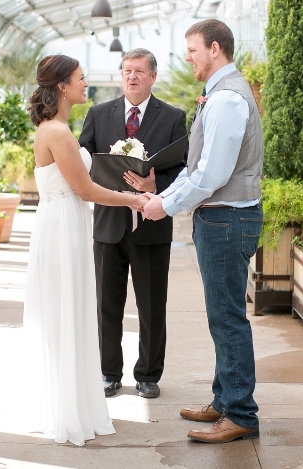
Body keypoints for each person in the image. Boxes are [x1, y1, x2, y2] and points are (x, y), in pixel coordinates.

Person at [143, 19, 263, 443]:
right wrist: (162, 196)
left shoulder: (228, 99)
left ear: (215, 48)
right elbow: (197, 168)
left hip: (227, 220)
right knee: (221, 315)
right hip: (222, 218)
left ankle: (242, 414)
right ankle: (226, 400)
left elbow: (211, 174)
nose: (188, 57)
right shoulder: (220, 94)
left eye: (192, 49)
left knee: (228, 317)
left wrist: (166, 205)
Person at [23, 54, 146, 446]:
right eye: (80, 77)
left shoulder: (59, 127)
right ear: (61, 86)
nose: (85, 82)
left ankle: (74, 403)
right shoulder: (57, 132)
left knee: (73, 311)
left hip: (67, 222)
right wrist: (133, 200)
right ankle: (68, 410)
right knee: (67, 311)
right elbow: (87, 190)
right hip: (62, 227)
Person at [79, 48, 187, 399]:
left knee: (152, 306)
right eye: (127, 70)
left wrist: (157, 185)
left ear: (153, 76)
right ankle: (109, 373)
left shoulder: (172, 117)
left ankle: (148, 375)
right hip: (109, 225)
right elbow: (83, 162)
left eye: (139, 71)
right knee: (106, 303)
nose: (132, 77)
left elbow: (183, 170)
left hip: (152, 225)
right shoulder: (98, 114)